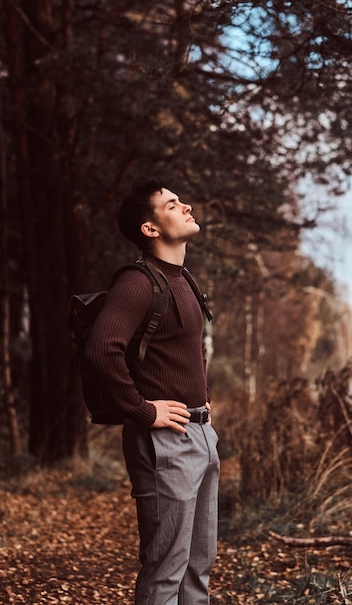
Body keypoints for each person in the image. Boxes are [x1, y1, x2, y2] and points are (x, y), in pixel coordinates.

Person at [85, 177, 220, 605]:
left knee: (198, 569)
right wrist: (143, 411)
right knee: (166, 572)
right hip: (164, 441)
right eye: (172, 203)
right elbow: (101, 350)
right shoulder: (138, 282)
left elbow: (189, 348)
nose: (186, 206)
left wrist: (204, 400)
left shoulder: (184, 280)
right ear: (150, 228)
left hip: (199, 434)